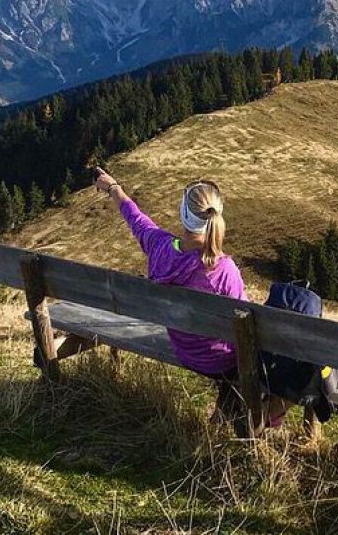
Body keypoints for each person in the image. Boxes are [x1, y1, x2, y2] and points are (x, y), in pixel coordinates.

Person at [93, 167, 253, 425]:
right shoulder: (224, 270)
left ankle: (225, 411)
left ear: (184, 215)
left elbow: (137, 219)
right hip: (221, 361)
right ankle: (234, 414)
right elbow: (246, 326)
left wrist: (114, 188)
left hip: (183, 348)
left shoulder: (160, 248)